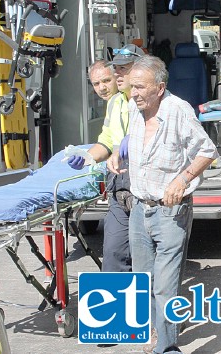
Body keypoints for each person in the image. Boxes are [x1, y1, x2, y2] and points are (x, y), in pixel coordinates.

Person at [108, 55, 217, 354]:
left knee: (165, 286)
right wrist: (119, 151)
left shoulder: (178, 110)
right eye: (132, 88)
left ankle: (167, 348)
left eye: (141, 88)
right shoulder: (134, 106)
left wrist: (181, 180)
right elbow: (133, 135)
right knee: (143, 281)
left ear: (160, 87)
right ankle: (157, 331)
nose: (134, 94)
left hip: (171, 211)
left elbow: (207, 151)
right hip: (139, 207)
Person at [67, 45, 144, 272]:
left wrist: (136, 139)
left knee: (146, 254)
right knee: (113, 253)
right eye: (116, 69)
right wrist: (86, 157)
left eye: (123, 69)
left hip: (146, 183)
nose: (118, 74)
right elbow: (106, 140)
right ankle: (116, 307)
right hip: (120, 184)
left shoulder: (155, 100)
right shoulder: (116, 102)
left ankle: (146, 305)